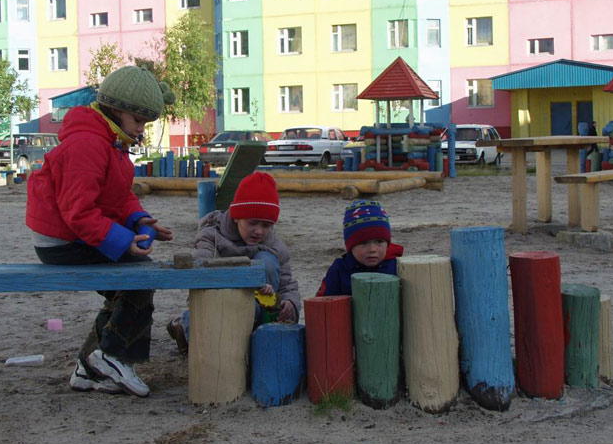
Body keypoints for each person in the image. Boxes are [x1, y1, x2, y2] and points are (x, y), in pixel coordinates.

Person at [25, 65, 176, 397]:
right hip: (62, 239)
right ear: (117, 110)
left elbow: (119, 196)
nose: (141, 129)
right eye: (138, 121)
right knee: (138, 277)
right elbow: (78, 212)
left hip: (72, 233)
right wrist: (122, 242)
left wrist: (139, 220)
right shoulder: (88, 145)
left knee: (128, 283)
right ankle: (112, 355)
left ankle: (88, 367)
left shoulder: (111, 143)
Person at [166, 171, 300, 355]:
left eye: (266, 225)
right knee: (204, 324)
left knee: (267, 261)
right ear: (236, 216)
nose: (259, 231)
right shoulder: (212, 236)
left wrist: (290, 304)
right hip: (219, 305)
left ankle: (258, 337)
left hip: (258, 308)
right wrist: (248, 284)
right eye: (253, 223)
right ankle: (182, 325)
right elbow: (202, 275)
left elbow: (287, 284)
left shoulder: (275, 247)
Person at [316, 199, 404, 297]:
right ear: (351, 246)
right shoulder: (339, 270)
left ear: (387, 243)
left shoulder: (399, 267)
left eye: (379, 242)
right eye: (363, 243)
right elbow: (321, 302)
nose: (372, 249)